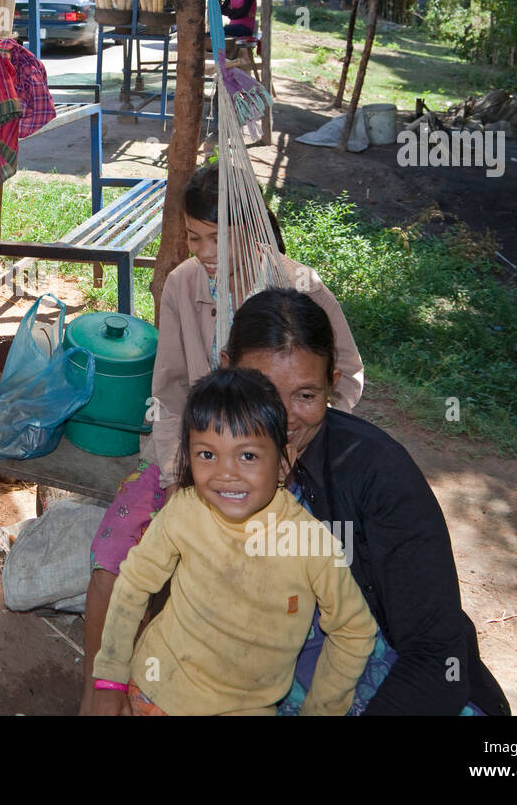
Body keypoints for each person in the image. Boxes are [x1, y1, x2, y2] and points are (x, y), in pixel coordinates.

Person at [89, 288, 512, 715]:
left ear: (332, 384)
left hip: (395, 692)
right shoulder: (204, 468)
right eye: (265, 390)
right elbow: (123, 571)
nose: (285, 417)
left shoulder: (381, 476)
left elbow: (435, 655)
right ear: (227, 373)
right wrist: (106, 681)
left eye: (306, 395)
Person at [78, 164, 364, 712]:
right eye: (194, 235)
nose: (205, 251)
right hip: (192, 458)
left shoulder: (299, 288)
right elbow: (167, 390)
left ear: (253, 230)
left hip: (285, 466)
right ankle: (99, 695)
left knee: (273, 580)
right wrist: (177, 472)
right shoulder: (184, 285)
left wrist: (296, 440)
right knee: (112, 560)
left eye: (218, 236)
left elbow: (345, 376)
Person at [90, 368, 378, 715]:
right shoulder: (184, 510)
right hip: (155, 690)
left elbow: (354, 631)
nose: (226, 473)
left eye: (248, 456)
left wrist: (320, 710)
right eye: (207, 454)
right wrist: (110, 679)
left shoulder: (311, 544)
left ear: (284, 459)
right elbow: (133, 585)